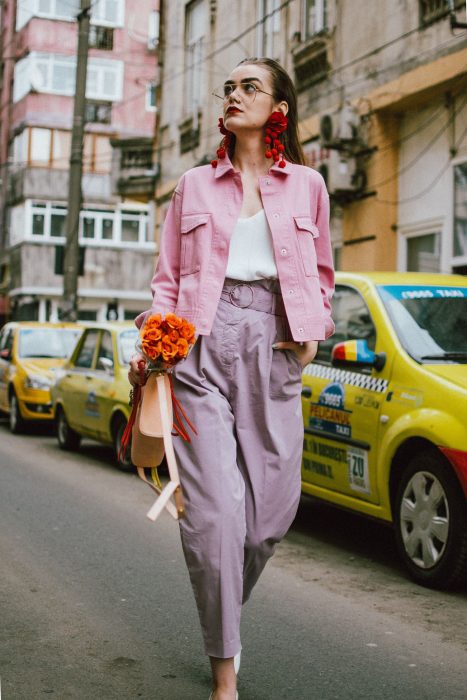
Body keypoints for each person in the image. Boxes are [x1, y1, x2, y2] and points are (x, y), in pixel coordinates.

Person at [129, 57, 335, 700]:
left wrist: (307, 342)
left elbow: (323, 272)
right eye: (230, 86)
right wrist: (158, 343)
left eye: (250, 85)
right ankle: (225, 675)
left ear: (279, 107)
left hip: (272, 343)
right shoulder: (193, 185)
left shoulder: (309, 186)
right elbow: (167, 276)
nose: (233, 94)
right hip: (199, 345)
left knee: (269, 518)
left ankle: (225, 616)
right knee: (217, 517)